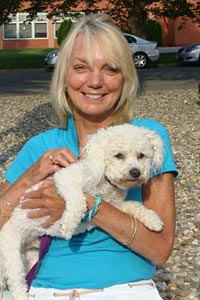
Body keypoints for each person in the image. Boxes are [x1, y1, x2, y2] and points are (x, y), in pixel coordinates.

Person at [0, 13, 177, 300]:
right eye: (81, 67)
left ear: (125, 78)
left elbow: (160, 249)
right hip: (46, 291)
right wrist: (28, 177)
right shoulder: (41, 146)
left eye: (110, 69)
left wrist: (87, 204)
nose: (95, 81)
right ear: (65, 76)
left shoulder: (145, 139)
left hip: (126, 290)